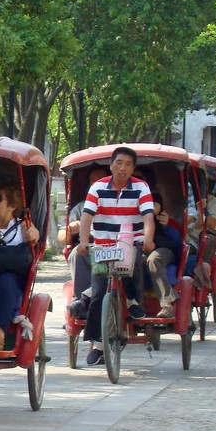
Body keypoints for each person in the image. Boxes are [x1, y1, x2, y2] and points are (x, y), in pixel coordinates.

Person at [76, 146, 155, 366]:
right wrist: (84, 242)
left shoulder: (141, 187)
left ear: (133, 168)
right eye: (119, 163)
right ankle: (97, 344)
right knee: (99, 292)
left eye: (128, 164)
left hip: (130, 242)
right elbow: (86, 217)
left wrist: (148, 238)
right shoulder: (98, 187)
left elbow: (148, 217)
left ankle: (133, 301)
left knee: (132, 262)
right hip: (102, 246)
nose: (123, 168)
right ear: (111, 165)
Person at [0, 183, 39, 351]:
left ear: (12, 206)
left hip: (11, 276)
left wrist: (34, 235)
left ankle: (0, 332)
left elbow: (34, 236)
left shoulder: (21, 226)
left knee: (5, 282)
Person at [59, 166, 105, 320]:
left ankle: (85, 299)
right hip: (89, 246)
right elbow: (62, 236)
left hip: (113, 246)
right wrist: (70, 229)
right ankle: (82, 302)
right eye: (93, 180)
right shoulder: (81, 207)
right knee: (77, 254)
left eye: (101, 179)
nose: (97, 183)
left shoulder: (117, 201)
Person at [144, 193, 184, 318]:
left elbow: (178, 241)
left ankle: (167, 303)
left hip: (163, 249)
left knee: (154, 260)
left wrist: (166, 225)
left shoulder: (162, 216)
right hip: (140, 249)